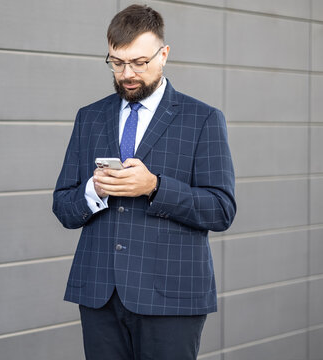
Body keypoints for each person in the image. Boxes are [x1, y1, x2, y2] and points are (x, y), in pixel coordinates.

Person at [52, 4, 236, 360]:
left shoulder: (203, 119)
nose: (128, 74)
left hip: (171, 298)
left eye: (139, 62)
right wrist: (95, 190)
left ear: (163, 55)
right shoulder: (89, 117)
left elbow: (221, 210)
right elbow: (63, 206)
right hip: (99, 293)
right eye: (117, 63)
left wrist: (155, 187)